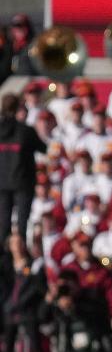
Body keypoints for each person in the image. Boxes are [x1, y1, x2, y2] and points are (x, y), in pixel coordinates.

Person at [0, 93, 47, 242]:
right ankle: (20, 255)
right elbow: (43, 148)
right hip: (23, 182)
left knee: (4, 222)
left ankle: (4, 255)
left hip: (2, 182)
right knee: (22, 223)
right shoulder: (26, 131)